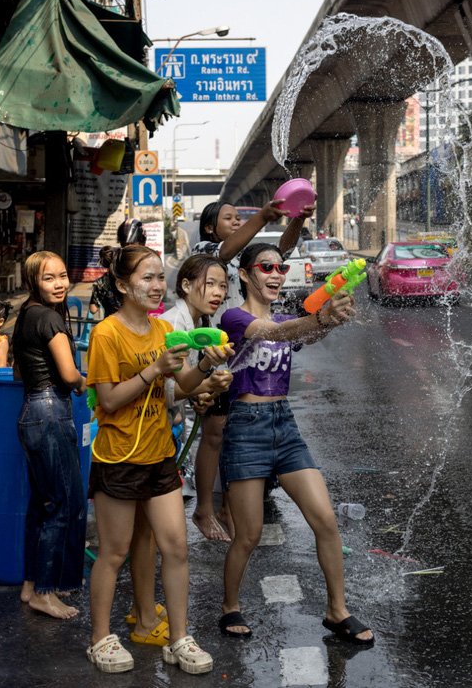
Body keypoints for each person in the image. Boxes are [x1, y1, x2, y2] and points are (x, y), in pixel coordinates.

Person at [85, 244, 232, 675]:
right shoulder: (106, 334)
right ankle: (100, 639)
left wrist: (206, 370)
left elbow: (178, 387)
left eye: (158, 277)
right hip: (119, 458)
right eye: (146, 278)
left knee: (177, 548)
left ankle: (178, 638)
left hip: (160, 454)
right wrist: (153, 370)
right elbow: (108, 400)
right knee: (114, 553)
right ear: (122, 285)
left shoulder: (159, 331)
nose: (156, 286)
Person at [217, 243, 373, 646]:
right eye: (266, 266)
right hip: (246, 430)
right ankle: (229, 606)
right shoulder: (235, 318)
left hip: (284, 427)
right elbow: (278, 332)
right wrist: (318, 317)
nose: (276, 273)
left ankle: (337, 610)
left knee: (325, 519)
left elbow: (308, 332)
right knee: (248, 535)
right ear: (247, 275)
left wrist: (331, 319)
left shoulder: (288, 318)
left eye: (281, 267)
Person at [189, 197, 314, 543]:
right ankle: (203, 508)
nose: (235, 221)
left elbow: (279, 252)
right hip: (218, 352)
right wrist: (261, 214)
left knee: (233, 435)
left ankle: (230, 506)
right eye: (228, 218)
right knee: (214, 434)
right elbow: (231, 248)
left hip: (248, 350)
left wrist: (297, 221)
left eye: (238, 216)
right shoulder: (208, 251)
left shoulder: (251, 258)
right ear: (211, 227)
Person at [12, 252, 89, 619]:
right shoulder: (50, 320)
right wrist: (84, 383)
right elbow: (71, 375)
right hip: (52, 412)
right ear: (32, 282)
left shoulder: (26, 315)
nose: (59, 284)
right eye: (49, 278)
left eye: (62, 276)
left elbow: (17, 373)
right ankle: (45, 592)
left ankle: (31, 585)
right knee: (65, 503)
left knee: (42, 503)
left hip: (30, 412)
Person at [160, 255, 232, 494]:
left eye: (222, 286)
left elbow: (180, 384)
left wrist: (199, 397)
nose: (218, 292)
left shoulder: (200, 324)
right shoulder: (171, 326)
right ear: (186, 285)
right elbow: (165, 392)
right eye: (210, 283)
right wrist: (206, 386)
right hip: (154, 429)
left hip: (170, 427)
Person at [89, 218, 149, 319]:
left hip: (111, 329)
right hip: (138, 329)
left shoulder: (104, 280)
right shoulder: (144, 274)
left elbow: (93, 309)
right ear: (142, 243)